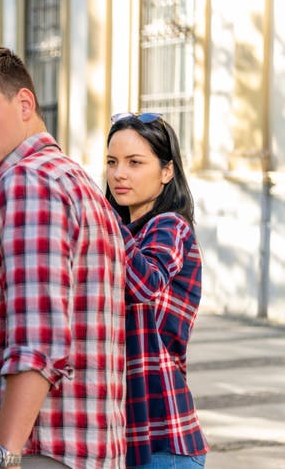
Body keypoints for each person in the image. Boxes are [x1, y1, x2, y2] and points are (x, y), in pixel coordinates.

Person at [0, 44, 127, 469]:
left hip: (40, 450)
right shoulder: (72, 177)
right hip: (86, 447)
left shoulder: (27, 182)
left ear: (25, 102)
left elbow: (37, 342)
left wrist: (0, 457)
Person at [105, 113, 208, 468]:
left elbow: (144, 283)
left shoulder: (170, 226)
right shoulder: (123, 233)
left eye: (135, 163)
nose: (119, 173)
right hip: (124, 433)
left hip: (165, 439)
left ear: (167, 171)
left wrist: (102, 217)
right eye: (112, 162)